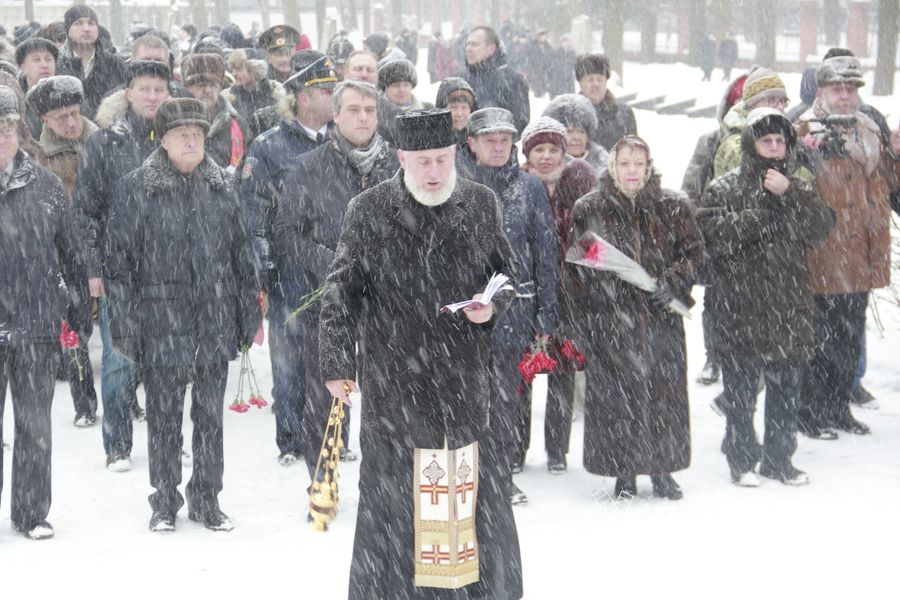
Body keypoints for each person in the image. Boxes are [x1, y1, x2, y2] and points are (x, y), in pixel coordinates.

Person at [318, 107, 523, 600]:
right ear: (401, 158)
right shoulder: (367, 210)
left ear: (455, 154)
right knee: (396, 506)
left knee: (469, 501)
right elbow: (340, 293)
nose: (433, 172)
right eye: (423, 161)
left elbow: (508, 277)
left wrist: (491, 306)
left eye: (442, 160)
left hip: (462, 384)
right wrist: (336, 364)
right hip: (396, 385)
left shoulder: (479, 204)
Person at [104, 98, 259, 532]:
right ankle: (164, 499)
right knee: (164, 417)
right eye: (181, 134)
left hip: (213, 317)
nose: (192, 141)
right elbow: (118, 266)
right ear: (164, 140)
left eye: (198, 133)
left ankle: (207, 498)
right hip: (160, 321)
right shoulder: (138, 187)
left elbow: (241, 256)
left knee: (210, 417)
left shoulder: (222, 187)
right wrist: (126, 325)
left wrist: (247, 313)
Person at [698, 108, 834, 486]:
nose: (773, 149)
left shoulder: (799, 186)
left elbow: (821, 228)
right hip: (740, 305)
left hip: (788, 307)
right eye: (766, 141)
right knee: (740, 395)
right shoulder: (725, 187)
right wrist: (756, 216)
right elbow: (710, 236)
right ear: (751, 144)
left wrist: (788, 195)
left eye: (779, 142)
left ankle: (779, 460)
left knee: (785, 394)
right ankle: (742, 460)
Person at [275, 79, 399, 479]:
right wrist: (335, 265)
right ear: (336, 114)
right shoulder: (308, 168)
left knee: (386, 397)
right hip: (328, 301)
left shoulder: (396, 168)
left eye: (370, 110)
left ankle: (383, 481)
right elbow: (288, 232)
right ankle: (322, 479)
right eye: (354, 110)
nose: (363, 118)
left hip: (385, 302)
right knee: (325, 397)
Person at [571, 136, 703, 501]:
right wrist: (597, 298)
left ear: (648, 166)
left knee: (664, 396)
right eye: (625, 164)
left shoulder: (672, 205)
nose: (632, 171)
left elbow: (693, 254)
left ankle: (663, 469)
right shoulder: (590, 207)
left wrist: (672, 282)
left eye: (638, 164)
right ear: (613, 166)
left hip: (660, 319)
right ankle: (623, 470)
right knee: (616, 397)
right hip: (611, 318)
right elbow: (577, 263)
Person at [73, 60, 172, 471]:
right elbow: (86, 211)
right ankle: (117, 444)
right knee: (119, 358)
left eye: (158, 89)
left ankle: (168, 439)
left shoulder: (179, 135)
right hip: (121, 269)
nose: (152, 96)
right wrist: (93, 266)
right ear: (128, 94)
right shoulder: (105, 142)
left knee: (169, 360)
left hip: (172, 267)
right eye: (144, 89)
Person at [457, 107, 559, 505]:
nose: (498, 147)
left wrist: (547, 312)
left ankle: (500, 475)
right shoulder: (457, 185)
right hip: (466, 316)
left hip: (515, 314)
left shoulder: (529, 188)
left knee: (505, 402)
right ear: (472, 144)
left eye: (505, 139)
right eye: (489, 139)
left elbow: (546, 251)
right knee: (467, 400)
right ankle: (466, 476)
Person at [0, 85, 89, 540]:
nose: (2, 138)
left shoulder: (45, 185)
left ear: (19, 132)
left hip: (35, 320)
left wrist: (75, 306)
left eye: (7, 128)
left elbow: (70, 251)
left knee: (35, 425)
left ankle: (32, 511)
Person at [240, 53, 336, 466]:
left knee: (333, 359)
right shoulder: (270, 146)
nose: (334, 98)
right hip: (289, 272)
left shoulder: (341, 140)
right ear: (302, 98)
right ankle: (292, 440)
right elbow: (253, 212)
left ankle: (334, 435)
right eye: (325, 92)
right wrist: (264, 270)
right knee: (290, 362)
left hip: (333, 267)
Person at [795, 54, 895, 438]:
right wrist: (806, 148)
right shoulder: (803, 127)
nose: (844, 96)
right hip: (822, 255)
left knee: (848, 341)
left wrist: (897, 156)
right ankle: (809, 412)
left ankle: (838, 408)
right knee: (818, 343)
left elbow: (886, 183)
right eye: (837, 89)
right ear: (822, 91)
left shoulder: (869, 129)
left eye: (850, 89)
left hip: (861, 257)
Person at [520, 115, 597, 474]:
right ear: (528, 154)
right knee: (522, 373)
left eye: (553, 149)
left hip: (569, 296)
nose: (546, 157)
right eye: (539, 150)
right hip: (528, 294)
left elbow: (592, 241)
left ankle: (557, 449)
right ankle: (516, 447)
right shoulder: (517, 187)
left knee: (563, 375)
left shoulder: (579, 188)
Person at [27, 75, 100, 426]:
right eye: (61, 118)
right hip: (65, 255)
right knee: (75, 334)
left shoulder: (103, 142)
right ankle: (84, 402)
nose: (72, 123)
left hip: (105, 246)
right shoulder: (38, 159)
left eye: (75, 113)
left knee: (120, 329)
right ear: (44, 121)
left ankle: (126, 396)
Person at [681, 73, 748, 387]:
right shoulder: (711, 140)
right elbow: (692, 186)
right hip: (717, 231)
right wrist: (694, 227)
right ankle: (714, 356)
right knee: (716, 300)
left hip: (754, 233)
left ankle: (745, 358)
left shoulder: (771, 140)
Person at [714, 67, 790, 178]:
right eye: (771, 100)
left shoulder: (784, 134)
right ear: (751, 105)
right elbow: (761, 185)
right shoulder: (736, 144)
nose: (779, 107)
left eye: (782, 101)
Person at [180, 53, 250, 174]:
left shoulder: (237, 123)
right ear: (187, 88)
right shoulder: (173, 122)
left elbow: (246, 169)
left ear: (220, 87)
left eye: (212, 85)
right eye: (200, 85)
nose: (207, 91)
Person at [55, 6, 128, 120]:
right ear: (67, 29)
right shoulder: (56, 63)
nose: (86, 29)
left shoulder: (114, 63)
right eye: (78, 23)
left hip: (107, 133)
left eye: (91, 23)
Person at [464, 26, 530, 134]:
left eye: (475, 44)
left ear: (491, 49)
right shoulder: (464, 80)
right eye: (468, 44)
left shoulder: (512, 80)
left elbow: (519, 125)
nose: (469, 49)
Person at [575, 53, 637, 152]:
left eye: (600, 79)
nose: (596, 84)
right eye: (590, 79)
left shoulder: (624, 113)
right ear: (580, 83)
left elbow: (634, 152)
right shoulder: (569, 115)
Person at [542, 93, 610, 176]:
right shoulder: (545, 170)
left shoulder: (606, 166)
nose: (577, 137)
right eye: (569, 131)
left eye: (581, 131)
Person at [376, 58, 431, 147]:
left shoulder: (427, 110)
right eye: (396, 85)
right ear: (385, 88)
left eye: (406, 85)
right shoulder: (374, 113)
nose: (402, 90)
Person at [223, 48, 285, 124]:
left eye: (238, 69)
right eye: (233, 69)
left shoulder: (276, 94)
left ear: (254, 70)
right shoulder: (228, 99)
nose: (233, 73)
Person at [15, 36, 57, 138]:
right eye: (36, 59)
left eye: (48, 59)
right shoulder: (15, 102)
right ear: (22, 67)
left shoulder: (69, 96)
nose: (44, 65)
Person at [435, 76, 477, 151]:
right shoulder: (433, 142)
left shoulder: (479, 140)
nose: (459, 114)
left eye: (464, 107)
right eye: (453, 107)